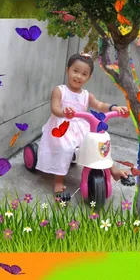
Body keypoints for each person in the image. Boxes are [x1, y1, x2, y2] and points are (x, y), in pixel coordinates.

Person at [36, 52, 129, 193]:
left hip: (80, 127)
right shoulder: (59, 91)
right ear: (67, 70)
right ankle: (59, 181)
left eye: (84, 74)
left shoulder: (86, 95)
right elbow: (55, 109)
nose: (79, 76)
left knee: (100, 144)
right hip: (62, 126)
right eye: (75, 71)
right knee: (65, 148)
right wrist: (64, 112)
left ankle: (113, 170)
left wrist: (114, 108)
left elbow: (99, 105)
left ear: (89, 77)